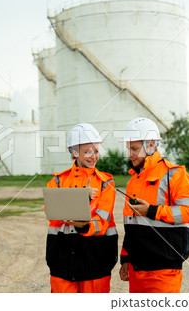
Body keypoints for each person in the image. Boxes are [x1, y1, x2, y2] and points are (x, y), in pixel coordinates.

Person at [119, 117, 189, 293]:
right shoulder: (133, 181)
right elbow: (131, 224)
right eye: (128, 149)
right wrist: (125, 258)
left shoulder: (175, 175)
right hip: (137, 268)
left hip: (164, 270)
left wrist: (151, 211)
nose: (130, 154)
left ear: (151, 145)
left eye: (134, 149)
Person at [45, 123, 118, 293]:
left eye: (96, 151)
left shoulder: (106, 183)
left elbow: (102, 222)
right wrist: (81, 197)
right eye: (88, 152)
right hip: (62, 262)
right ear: (74, 152)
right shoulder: (57, 181)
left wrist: (80, 222)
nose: (94, 157)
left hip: (96, 261)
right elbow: (53, 213)